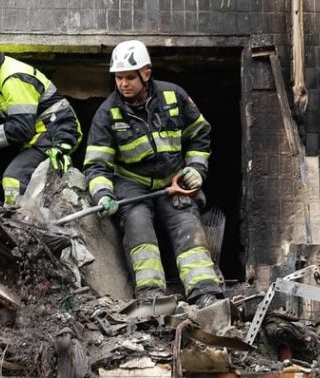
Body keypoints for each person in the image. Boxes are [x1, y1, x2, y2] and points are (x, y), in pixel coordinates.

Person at [83, 40, 223, 307]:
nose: (123, 84)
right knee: (137, 224)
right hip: (131, 184)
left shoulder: (174, 97)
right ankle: (151, 295)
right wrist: (102, 194)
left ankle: (205, 292)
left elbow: (200, 135)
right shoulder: (107, 113)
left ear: (146, 73)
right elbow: (96, 165)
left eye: (129, 77)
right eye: (118, 78)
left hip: (172, 181)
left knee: (187, 226)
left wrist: (195, 168)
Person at [0, 27, 81, 205]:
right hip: (39, 132)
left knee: (14, 177)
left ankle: (16, 224)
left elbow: (21, 129)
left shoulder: (11, 79)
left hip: (55, 130)